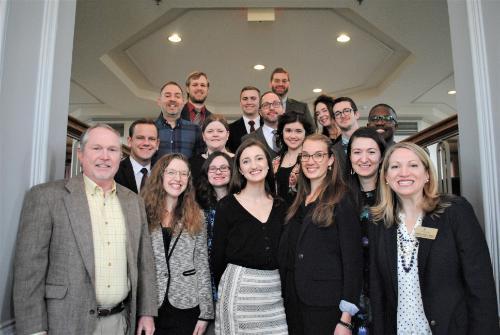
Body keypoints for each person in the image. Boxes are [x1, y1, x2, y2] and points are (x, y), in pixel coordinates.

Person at [13, 124, 157, 335]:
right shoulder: (46, 197)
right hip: (64, 322)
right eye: (96, 148)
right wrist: (33, 330)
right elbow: (29, 272)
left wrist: (146, 312)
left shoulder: (133, 202)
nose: (105, 156)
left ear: (120, 156)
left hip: (120, 323)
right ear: (80, 154)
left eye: (112, 150)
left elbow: (144, 263)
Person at [370, 142, 500, 335]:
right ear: (386, 177)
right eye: (395, 166)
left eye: (413, 165)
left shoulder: (455, 212)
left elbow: (480, 285)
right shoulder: (381, 223)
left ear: (427, 174)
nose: (403, 172)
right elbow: (378, 291)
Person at [280, 134, 363, 335]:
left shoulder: (342, 198)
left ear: (331, 160)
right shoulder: (298, 199)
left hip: (327, 305)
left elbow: (353, 261)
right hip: (293, 301)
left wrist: (346, 318)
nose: (311, 161)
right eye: (306, 155)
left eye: (318, 155)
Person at [212, 138, 288, 334]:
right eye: (246, 161)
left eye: (259, 158)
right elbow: (217, 257)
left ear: (268, 164)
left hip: (274, 292)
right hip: (238, 291)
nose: (254, 165)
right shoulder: (227, 206)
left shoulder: (281, 206)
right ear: (240, 169)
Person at [142, 153, 214, 335]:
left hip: (186, 305)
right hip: (149, 306)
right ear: (160, 176)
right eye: (172, 172)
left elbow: (202, 264)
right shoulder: (141, 210)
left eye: (183, 174)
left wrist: (206, 313)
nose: (178, 179)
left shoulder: (197, 216)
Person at [345, 127, 386, 333]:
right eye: (357, 152)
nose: (364, 158)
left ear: (381, 156)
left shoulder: (396, 195)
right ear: (350, 156)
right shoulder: (340, 196)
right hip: (353, 291)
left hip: (387, 288)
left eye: (371, 151)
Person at [195, 151, 233, 335]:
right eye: (213, 168)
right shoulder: (197, 205)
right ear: (206, 172)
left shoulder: (241, 203)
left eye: (224, 167)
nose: (218, 172)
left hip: (233, 282)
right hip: (205, 282)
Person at [154, 81, 204, 160]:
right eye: (167, 96)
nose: (172, 99)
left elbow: (199, 162)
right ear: (159, 101)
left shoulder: (195, 129)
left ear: (183, 102)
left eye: (177, 96)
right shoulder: (151, 128)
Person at [273, 111, 314, 205]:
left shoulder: (311, 160)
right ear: (282, 132)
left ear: (306, 133)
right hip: (278, 215)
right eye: (288, 130)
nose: (293, 136)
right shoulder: (275, 161)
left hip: (304, 215)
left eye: (298, 131)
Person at [115, 118, 159, 193]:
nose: (146, 143)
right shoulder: (115, 172)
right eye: (140, 138)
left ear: (157, 144)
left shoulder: (163, 173)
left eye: (151, 139)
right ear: (129, 141)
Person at [189, 114, 233, 185]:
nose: (215, 134)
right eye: (210, 131)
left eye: (220, 131)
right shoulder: (191, 163)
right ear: (203, 136)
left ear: (227, 135)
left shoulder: (238, 161)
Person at [242, 91, 285, 159]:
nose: (271, 108)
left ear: (283, 109)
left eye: (275, 104)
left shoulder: (294, 135)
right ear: (260, 112)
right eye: (266, 105)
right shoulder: (248, 139)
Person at [227, 86, 263, 153]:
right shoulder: (230, 129)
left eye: (253, 98)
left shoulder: (269, 125)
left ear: (260, 102)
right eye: (245, 99)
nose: (249, 102)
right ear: (240, 103)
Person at [332, 97, 361, 174]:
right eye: (337, 113)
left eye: (347, 111)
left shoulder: (375, 141)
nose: (342, 115)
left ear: (357, 114)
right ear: (335, 121)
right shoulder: (332, 150)